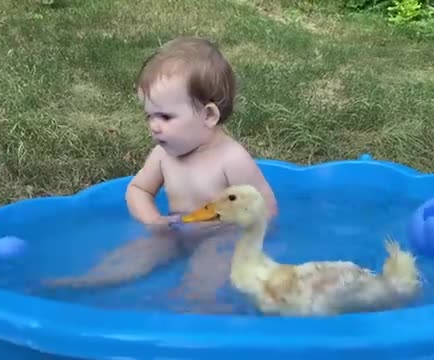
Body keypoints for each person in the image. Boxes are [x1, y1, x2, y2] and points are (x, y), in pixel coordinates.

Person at [46, 37, 278, 308]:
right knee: (136, 255)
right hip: (174, 229)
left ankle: (198, 311)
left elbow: (266, 207)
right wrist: (153, 220)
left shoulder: (231, 159)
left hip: (221, 236)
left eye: (165, 117)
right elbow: (138, 190)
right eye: (149, 116)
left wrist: (238, 230)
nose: (154, 127)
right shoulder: (162, 155)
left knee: (204, 277)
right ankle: (90, 282)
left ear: (208, 116)